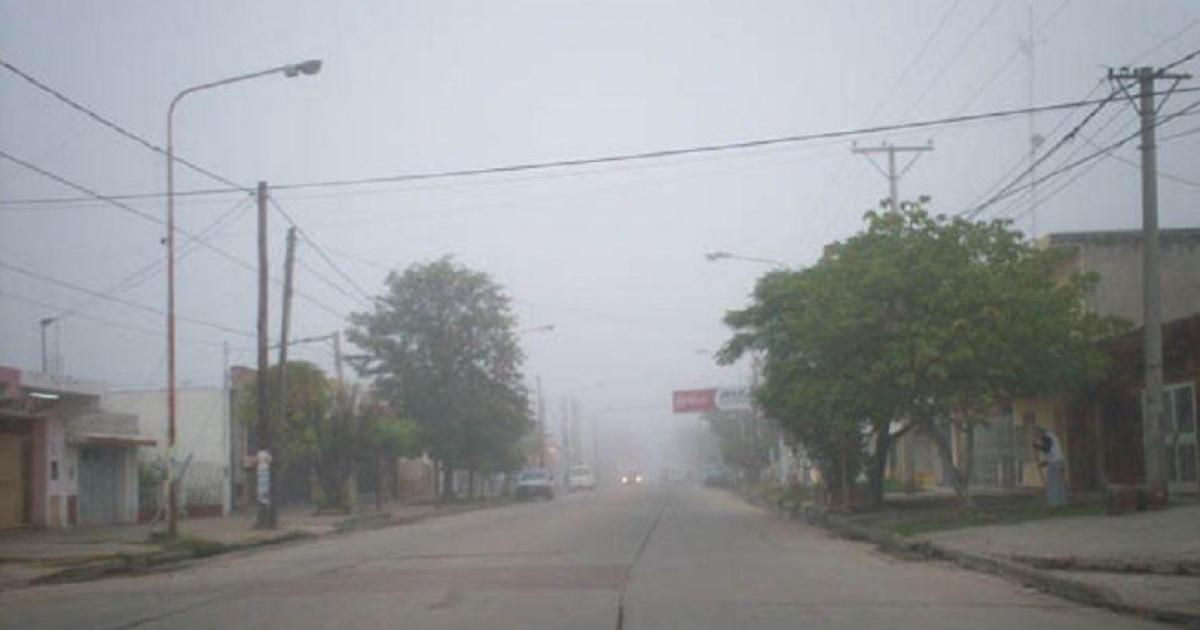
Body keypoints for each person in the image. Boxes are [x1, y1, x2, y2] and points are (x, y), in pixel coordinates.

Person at [1034, 427, 1066, 507]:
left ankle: (1053, 503)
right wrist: (1043, 464)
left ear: (1041, 433)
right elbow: (1052, 454)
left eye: (1037, 435)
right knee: (1058, 484)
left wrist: (1037, 446)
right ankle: (1060, 502)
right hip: (1059, 462)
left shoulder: (1048, 437)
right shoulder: (1052, 438)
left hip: (1056, 464)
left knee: (1053, 484)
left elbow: (1047, 449)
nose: (1038, 438)